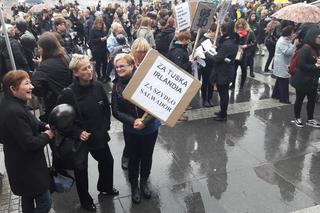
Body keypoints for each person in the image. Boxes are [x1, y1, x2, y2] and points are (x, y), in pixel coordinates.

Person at [57, 54, 118, 211]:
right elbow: (60, 120)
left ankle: (105, 187)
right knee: (81, 172)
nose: (89, 71)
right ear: (76, 73)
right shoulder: (68, 93)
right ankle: (86, 201)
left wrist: (105, 126)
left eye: (90, 66)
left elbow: (105, 108)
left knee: (107, 162)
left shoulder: (97, 86)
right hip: (80, 140)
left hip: (98, 134)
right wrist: (77, 133)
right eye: (84, 69)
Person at [0, 70, 55, 213]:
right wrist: (48, 135)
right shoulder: (13, 111)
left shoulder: (12, 102)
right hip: (28, 169)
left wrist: (43, 126)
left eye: (30, 82)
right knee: (45, 202)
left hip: (21, 166)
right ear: (13, 88)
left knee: (28, 198)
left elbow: (29, 120)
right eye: (26, 83)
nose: (31, 87)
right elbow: (29, 143)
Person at [111, 53, 160, 204]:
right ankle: (134, 187)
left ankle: (144, 183)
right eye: (117, 66)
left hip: (150, 128)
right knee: (133, 158)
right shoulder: (117, 86)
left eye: (122, 66)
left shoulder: (146, 81)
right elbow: (116, 111)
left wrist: (145, 121)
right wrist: (134, 121)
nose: (119, 69)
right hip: (131, 130)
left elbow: (157, 104)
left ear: (132, 66)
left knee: (146, 156)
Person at [32, 32, 73, 122]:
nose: (38, 50)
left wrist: (41, 64)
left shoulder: (45, 66)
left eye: (39, 48)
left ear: (45, 49)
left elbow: (36, 88)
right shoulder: (66, 57)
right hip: (71, 101)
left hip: (56, 105)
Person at [206, 23, 239, 121]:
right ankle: (222, 111)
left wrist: (207, 53)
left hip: (223, 71)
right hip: (227, 69)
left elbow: (217, 59)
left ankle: (223, 114)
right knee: (223, 92)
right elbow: (223, 55)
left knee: (223, 93)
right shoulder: (232, 40)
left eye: (220, 30)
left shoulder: (227, 44)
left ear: (224, 31)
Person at [291, 27, 320, 128]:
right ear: (313, 37)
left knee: (312, 101)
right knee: (299, 99)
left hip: (313, 80)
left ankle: (310, 119)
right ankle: (297, 118)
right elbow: (301, 65)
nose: (319, 39)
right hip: (302, 80)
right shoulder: (305, 48)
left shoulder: (317, 48)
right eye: (318, 37)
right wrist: (315, 66)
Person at [272, 26, 297, 104]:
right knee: (284, 81)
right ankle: (284, 99)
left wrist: (292, 41)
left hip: (283, 63)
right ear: (288, 33)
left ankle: (275, 95)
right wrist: (295, 45)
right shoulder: (282, 41)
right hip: (281, 64)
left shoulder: (286, 40)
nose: (293, 34)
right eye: (292, 33)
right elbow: (287, 52)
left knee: (280, 80)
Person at [231, 18, 256, 89]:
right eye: (238, 27)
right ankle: (233, 84)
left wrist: (247, 46)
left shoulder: (250, 32)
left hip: (245, 54)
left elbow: (254, 42)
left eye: (241, 27)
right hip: (236, 53)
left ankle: (241, 86)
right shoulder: (235, 32)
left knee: (244, 70)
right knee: (234, 70)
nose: (240, 28)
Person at [89, 17, 108, 82]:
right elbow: (91, 40)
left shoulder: (103, 30)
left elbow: (106, 36)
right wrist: (100, 39)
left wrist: (105, 38)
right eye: (99, 24)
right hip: (97, 50)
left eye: (101, 24)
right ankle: (99, 75)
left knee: (105, 63)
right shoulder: (92, 30)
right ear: (96, 24)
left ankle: (104, 75)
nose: (100, 26)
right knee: (98, 63)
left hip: (104, 49)